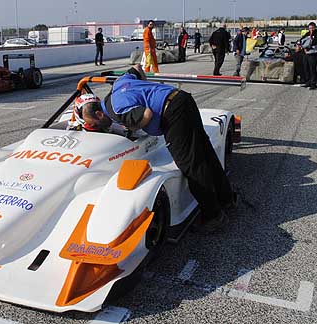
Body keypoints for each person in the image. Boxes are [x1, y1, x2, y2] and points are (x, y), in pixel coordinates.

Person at [77, 64, 237, 232]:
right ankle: (227, 199)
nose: (96, 127)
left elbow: (146, 114)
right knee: (205, 152)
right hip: (182, 99)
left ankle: (213, 216)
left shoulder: (118, 110)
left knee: (190, 165)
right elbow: (137, 68)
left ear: (100, 115)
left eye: (94, 124)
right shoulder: (118, 84)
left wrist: (132, 126)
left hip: (173, 114)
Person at [299, 22, 317, 90]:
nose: (310, 29)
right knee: (306, 68)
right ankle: (307, 82)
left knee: (312, 69)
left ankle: (313, 84)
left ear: (314, 27)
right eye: (309, 28)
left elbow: (315, 42)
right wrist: (301, 44)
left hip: (312, 54)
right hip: (306, 53)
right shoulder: (307, 33)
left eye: (312, 28)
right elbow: (302, 39)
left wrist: (308, 47)